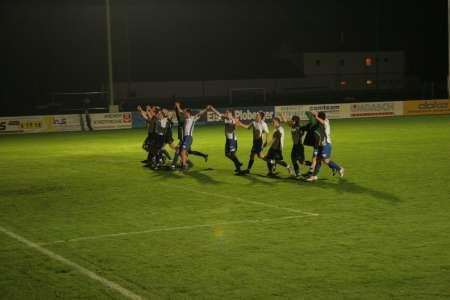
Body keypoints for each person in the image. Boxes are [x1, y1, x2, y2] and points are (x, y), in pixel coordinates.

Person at [305, 111, 344, 182]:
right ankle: (314, 176)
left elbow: (322, 121)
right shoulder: (321, 121)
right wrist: (315, 114)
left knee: (325, 160)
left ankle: (339, 168)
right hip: (321, 144)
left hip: (327, 144)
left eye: (318, 117)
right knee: (318, 160)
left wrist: (316, 116)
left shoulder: (326, 122)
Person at [171, 102, 209, 168]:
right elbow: (181, 111)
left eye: (185, 113)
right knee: (185, 151)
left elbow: (200, 113)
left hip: (188, 137)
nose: (183, 114)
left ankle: (183, 165)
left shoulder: (193, 118)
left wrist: (206, 109)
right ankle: (183, 164)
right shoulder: (185, 119)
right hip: (184, 138)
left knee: (182, 151)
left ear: (188, 113)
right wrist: (177, 106)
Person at [209, 106, 243, 173]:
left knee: (232, 154)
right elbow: (217, 113)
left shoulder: (233, 120)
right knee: (227, 154)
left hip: (232, 139)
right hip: (228, 139)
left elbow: (235, 128)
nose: (226, 113)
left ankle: (238, 165)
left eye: (227, 113)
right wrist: (212, 108)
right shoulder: (225, 118)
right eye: (226, 112)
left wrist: (236, 123)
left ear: (231, 114)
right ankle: (238, 164)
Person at [280, 113, 309, 178]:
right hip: (295, 145)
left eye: (292, 120)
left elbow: (303, 131)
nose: (291, 121)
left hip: (299, 146)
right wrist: (282, 116)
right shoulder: (292, 126)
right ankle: (298, 173)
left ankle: (312, 165)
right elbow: (286, 121)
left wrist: (301, 134)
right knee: (298, 160)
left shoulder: (299, 127)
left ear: (295, 121)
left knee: (300, 161)